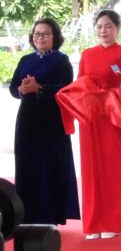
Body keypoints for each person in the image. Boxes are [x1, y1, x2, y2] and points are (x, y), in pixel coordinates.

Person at [74, 9, 121, 239]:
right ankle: (93, 223)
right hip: (91, 119)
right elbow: (78, 83)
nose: (103, 31)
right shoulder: (87, 54)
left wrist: (117, 95)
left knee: (114, 169)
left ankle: (112, 222)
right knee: (92, 169)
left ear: (117, 29)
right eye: (99, 27)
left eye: (108, 26)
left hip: (114, 118)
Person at [8, 18, 80, 225]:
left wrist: (39, 88)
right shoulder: (25, 59)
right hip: (27, 120)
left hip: (51, 122)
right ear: (32, 37)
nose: (41, 37)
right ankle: (26, 215)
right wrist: (21, 90)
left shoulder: (61, 60)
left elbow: (66, 89)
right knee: (27, 165)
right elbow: (13, 88)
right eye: (37, 34)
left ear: (54, 37)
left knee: (48, 166)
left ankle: (49, 217)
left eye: (46, 34)